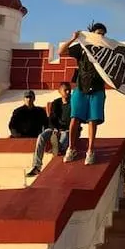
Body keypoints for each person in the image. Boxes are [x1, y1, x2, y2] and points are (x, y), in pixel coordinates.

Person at [59, 22, 109, 164]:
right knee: (75, 118)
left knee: (93, 120)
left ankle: (90, 150)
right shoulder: (82, 48)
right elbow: (61, 52)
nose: (101, 36)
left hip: (97, 88)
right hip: (81, 87)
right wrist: (73, 38)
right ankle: (71, 148)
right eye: (99, 33)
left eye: (103, 34)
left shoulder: (107, 51)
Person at [27, 82, 73, 177]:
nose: (68, 92)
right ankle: (37, 166)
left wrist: (62, 129)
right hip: (54, 128)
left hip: (67, 129)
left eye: (69, 90)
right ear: (60, 91)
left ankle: (57, 148)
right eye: (66, 90)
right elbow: (52, 118)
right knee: (41, 137)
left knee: (64, 139)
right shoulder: (56, 103)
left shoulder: (73, 103)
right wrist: (55, 128)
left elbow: (73, 119)